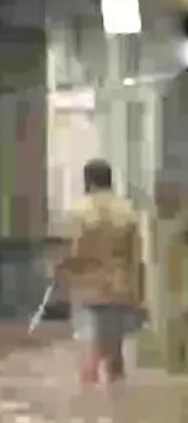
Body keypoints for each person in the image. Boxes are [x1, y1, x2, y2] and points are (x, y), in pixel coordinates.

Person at [55, 158, 144, 385]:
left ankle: (92, 407)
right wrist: (139, 295)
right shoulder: (127, 210)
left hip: (87, 287)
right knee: (115, 353)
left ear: (88, 181)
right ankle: (119, 405)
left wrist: (60, 278)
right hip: (119, 286)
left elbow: (70, 251)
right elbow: (136, 257)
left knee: (89, 351)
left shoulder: (79, 210)